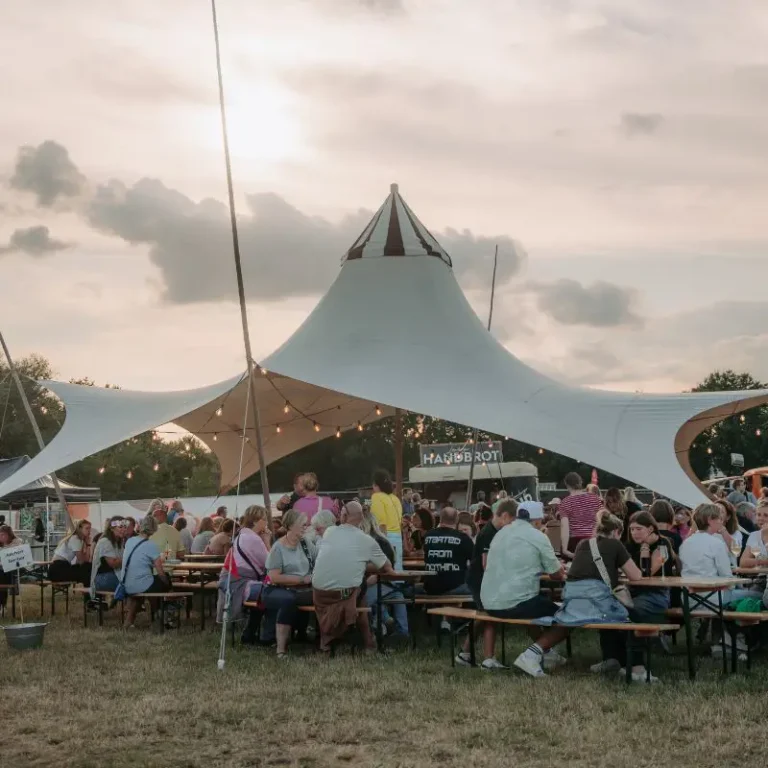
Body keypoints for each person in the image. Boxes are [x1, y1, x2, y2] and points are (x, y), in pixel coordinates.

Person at [553, 514, 649, 680]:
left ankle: (610, 659)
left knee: (610, 612)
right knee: (634, 617)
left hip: (574, 605)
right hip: (596, 602)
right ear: (617, 531)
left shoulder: (583, 544)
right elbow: (636, 576)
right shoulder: (615, 544)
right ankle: (637, 669)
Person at [480, 501, 569, 677]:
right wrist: (559, 567)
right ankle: (532, 654)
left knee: (536, 609)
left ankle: (547, 653)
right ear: (536, 521)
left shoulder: (501, 533)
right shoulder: (538, 536)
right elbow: (556, 575)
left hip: (489, 602)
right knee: (569, 616)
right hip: (515, 603)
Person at [312, 501, 392, 652]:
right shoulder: (366, 540)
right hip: (345, 595)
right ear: (362, 519)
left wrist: (358, 563)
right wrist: (362, 564)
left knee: (357, 591)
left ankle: (326, 641)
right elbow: (387, 567)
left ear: (343, 516)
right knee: (360, 592)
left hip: (320, 594)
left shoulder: (329, 532)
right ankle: (369, 642)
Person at [457, 498, 517, 670]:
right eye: (512, 521)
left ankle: (465, 653)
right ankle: (488, 658)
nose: (512, 526)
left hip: (482, 580)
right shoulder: (488, 533)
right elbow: (486, 563)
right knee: (489, 615)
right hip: (481, 581)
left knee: (483, 617)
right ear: (505, 516)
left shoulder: (492, 531)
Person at [262, 509, 316, 657]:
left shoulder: (306, 543)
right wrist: (301, 579)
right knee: (288, 600)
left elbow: (318, 562)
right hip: (276, 590)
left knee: (326, 595)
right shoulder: (278, 547)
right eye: (303, 525)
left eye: (306, 524)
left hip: (303, 590)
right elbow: (274, 577)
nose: (306, 527)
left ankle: (325, 641)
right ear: (291, 526)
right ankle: (281, 648)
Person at [222, 505, 271, 643]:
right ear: (255, 521)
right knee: (270, 595)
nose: (266, 522)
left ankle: (250, 633)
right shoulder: (253, 539)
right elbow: (270, 562)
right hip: (242, 584)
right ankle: (264, 635)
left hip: (233, 581)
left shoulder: (242, 535)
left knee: (264, 594)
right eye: (264, 519)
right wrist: (267, 541)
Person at [359, 504, 408, 638]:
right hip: (391, 585)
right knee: (397, 596)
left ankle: (374, 628)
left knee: (360, 598)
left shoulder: (368, 542)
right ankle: (399, 630)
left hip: (374, 584)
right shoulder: (385, 541)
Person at [121, 516, 170, 629]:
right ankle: (162, 615)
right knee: (164, 580)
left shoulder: (130, 541)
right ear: (154, 529)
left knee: (145, 586)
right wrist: (167, 583)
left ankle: (129, 622)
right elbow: (160, 570)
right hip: (141, 585)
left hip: (127, 583)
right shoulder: (151, 545)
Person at [422, 507, 474, 597]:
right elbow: (476, 560)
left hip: (431, 587)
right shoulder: (463, 538)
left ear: (440, 518)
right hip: (455, 587)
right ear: (456, 520)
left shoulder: (428, 536)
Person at [559, 472, 603, 559]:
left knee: (573, 570)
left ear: (566, 484)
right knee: (597, 568)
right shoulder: (595, 499)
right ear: (581, 482)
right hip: (594, 541)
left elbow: (565, 527)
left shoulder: (565, 502)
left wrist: (565, 549)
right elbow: (602, 521)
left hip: (574, 543)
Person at [370, 469, 404, 571]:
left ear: (375, 484)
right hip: (398, 536)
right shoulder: (395, 498)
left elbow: (381, 522)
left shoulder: (376, 497)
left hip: (386, 537)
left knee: (386, 570)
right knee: (398, 568)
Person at [90, 517, 128, 595]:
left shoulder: (118, 542)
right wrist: (129, 558)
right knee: (134, 583)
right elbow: (113, 563)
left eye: (125, 527)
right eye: (120, 527)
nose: (124, 529)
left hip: (111, 576)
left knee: (136, 581)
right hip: (102, 579)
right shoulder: (105, 541)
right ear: (111, 528)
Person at [49, 520, 92, 586]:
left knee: (87, 568)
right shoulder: (76, 539)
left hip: (57, 569)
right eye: (87, 528)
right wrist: (88, 544)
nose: (89, 531)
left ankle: (88, 593)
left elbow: (81, 561)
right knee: (87, 569)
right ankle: (88, 594)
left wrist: (87, 544)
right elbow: (82, 562)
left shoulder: (78, 540)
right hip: (58, 570)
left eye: (90, 528)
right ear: (80, 529)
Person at [0, 524, 24, 612]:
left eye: (3, 535)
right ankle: (2, 605)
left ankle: (2, 605)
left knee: (2, 576)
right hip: (3, 571)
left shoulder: (17, 542)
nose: (1, 537)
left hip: (12, 571)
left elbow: (16, 558)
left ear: (8, 535)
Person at [740, 503, 768, 568]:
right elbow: (743, 562)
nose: (761, 518)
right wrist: (763, 562)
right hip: (760, 576)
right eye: (758, 515)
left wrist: (766, 537)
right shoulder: (754, 535)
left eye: (766, 515)